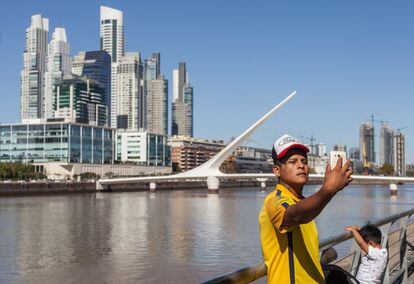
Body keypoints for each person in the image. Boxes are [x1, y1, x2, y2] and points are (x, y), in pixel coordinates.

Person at [259, 134, 353, 284]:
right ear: (277, 170)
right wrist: (328, 190)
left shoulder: (304, 202)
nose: (301, 165)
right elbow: (294, 215)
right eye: (292, 161)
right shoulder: (275, 199)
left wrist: (329, 191)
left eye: (304, 161)